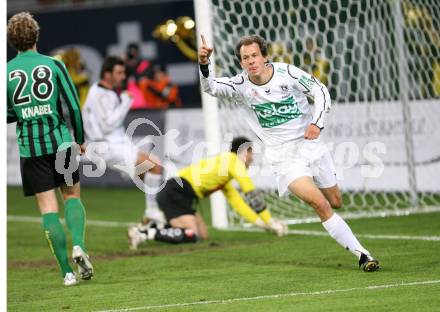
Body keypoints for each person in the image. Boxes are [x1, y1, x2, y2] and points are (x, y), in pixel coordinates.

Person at [198, 34, 379, 272]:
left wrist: (317, 123)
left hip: (310, 145)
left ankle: (347, 234)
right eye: (245, 58)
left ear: (265, 57)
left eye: (254, 55)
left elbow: (320, 90)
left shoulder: (287, 74)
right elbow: (211, 87)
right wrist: (204, 63)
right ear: (241, 63)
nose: (251, 61)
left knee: (335, 202)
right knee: (320, 204)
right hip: (283, 156)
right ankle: (363, 255)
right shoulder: (240, 85)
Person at [7, 12, 93, 286]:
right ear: (36, 35)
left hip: (31, 149)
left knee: (48, 209)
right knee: (71, 196)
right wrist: (79, 138)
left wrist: (23, 112)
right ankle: (78, 245)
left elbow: (8, 113)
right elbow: (72, 105)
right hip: (60, 143)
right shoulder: (54, 65)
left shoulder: (6, 72)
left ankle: (67, 273)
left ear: (11, 41)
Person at [128, 137, 288, 250]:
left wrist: (262, 224)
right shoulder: (234, 162)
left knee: (203, 235)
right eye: (251, 154)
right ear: (244, 152)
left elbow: (237, 203)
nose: (252, 159)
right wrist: (270, 221)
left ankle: (154, 223)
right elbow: (250, 193)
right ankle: (142, 233)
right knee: (192, 235)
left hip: (181, 192)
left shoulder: (225, 170)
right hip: (176, 192)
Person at [81, 56, 165, 224]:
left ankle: (146, 225)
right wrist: (126, 101)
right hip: (108, 146)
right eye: (119, 73)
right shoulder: (104, 95)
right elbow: (108, 124)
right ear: (107, 74)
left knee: (148, 176)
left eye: (124, 73)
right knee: (155, 167)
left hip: (111, 144)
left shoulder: (96, 90)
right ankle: (152, 211)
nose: (123, 76)